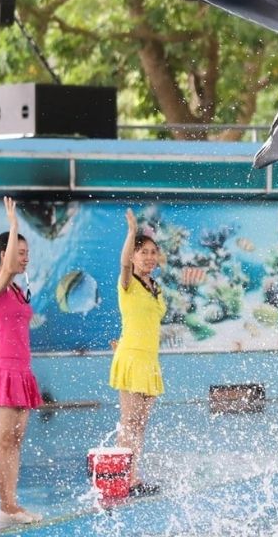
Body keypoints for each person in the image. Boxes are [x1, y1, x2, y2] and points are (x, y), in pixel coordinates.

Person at [0, 196, 44, 527]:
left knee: (16, 440)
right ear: (4, 256)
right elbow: (1, 279)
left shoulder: (16, 291)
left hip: (20, 371)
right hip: (5, 373)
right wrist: (14, 225)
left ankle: (11, 505)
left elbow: (7, 329)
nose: (25, 256)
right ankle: (5, 506)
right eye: (20, 251)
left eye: (27, 251)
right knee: (2, 439)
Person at [108, 207, 168, 495]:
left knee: (140, 425)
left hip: (149, 360)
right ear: (132, 257)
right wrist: (132, 233)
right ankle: (121, 479)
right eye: (143, 252)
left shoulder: (155, 287)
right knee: (128, 422)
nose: (149, 257)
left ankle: (133, 478)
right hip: (132, 358)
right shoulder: (128, 283)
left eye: (153, 252)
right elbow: (122, 266)